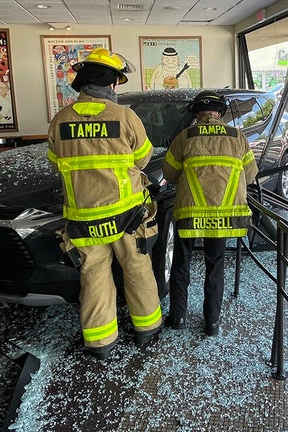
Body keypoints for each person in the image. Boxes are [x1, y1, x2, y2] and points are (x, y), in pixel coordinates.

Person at [47, 48, 162, 360]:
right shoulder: (125, 117)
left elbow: (56, 161)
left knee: (94, 275)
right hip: (126, 215)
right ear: (112, 85)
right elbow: (143, 158)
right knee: (136, 269)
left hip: (83, 218)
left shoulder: (60, 120)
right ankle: (146, 331)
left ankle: (102, 344)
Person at [162, 90, 258, 336]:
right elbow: (250, 175)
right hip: (223, 215)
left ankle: (178, 317)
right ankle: (212, 323)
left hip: (188, 213)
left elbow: (170, 175)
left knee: (181, 265)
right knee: (215, 266)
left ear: (196, 114)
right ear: (220, 113)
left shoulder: (184, 137)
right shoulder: (238, 137)